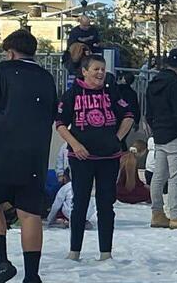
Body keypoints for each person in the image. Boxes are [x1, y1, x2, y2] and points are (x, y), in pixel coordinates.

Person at [0, 28, 59, 283]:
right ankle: (32, 278)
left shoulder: (3, 70)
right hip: (34, 154)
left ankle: (0, 261)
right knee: (29, 213)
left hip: (2, 149)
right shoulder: (47, 78)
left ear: (10, 53)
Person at [56, 53, 134, 261]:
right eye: (96, 69)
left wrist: (117, 139)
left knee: (106, 203)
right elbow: (61, 124)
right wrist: (75, 144)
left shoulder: (111, 92)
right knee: (79, 202)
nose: (100, 73)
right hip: (81, 157)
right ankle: (75, 251)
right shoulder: (72, 93)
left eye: (103, 69)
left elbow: (128, 116)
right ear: (84, 71)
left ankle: (105, 252)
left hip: (108, 157)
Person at [144, 49, 177, 229]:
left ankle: (157, 213)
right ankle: (176, 214)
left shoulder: (153, 83)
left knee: (158, 176)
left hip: (159, 134)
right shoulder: (176, 84)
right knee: (176, 177)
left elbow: (148, 113)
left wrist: (156, 129)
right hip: (176, 135)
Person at [63, 13, 100, 84]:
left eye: (88, 25)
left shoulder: (93, 30)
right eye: (84, 25)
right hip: (75, 60)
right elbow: (72, 45)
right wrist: (86, 41)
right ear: (80, 23)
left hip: (91, 55)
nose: (86, 27)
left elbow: (97, 40)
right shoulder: (75, 32)